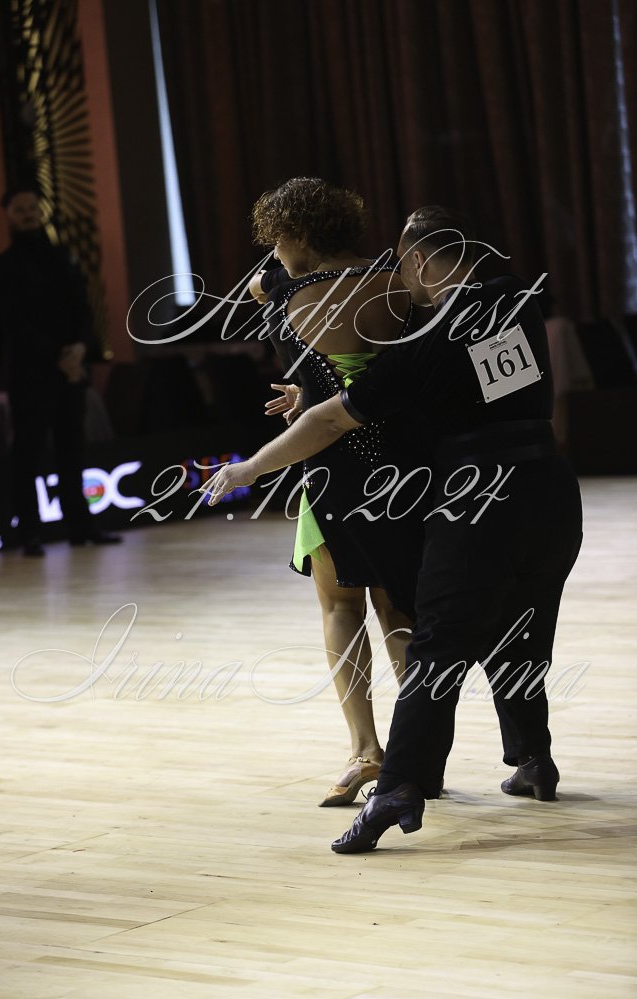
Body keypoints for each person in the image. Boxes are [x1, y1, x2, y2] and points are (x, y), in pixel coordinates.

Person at [202, 205, 583, 853]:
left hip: (479, 499)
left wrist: (250, 468)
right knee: (522, 630)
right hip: (550, 488)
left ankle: (399, 786)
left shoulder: (426, 336)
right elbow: (472, 390)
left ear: (418, 260)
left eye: (402, 268)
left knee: (437, 645)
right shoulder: (513, 296)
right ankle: (534, 759)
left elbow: (331, 421)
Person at [247, 177, 430, 806]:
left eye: (277, 240)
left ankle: (365, 750)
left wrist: (310, 392)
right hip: (408, 470)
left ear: (300, 235)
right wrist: (317, 392)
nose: (274, 254)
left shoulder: (288, 295)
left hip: (334, 471)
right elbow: (384, 382)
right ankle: (417, 755)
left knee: (340, 608)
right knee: (401, 611)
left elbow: (268, 297)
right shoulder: (399, 284)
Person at [0, 184, 121, 555]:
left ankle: (81, 525)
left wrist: (80, 348)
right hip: (31, 373)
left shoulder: (62, 256)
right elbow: (14, 323)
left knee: (72, 449)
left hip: (71, 369)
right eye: (20, 209)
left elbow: (83, 309)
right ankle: (29, 533)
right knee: (28, 452)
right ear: (8, 215)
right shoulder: (6, 265)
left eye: (32, 207)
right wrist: (59, 357)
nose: (28, 214)